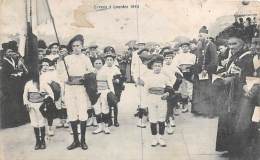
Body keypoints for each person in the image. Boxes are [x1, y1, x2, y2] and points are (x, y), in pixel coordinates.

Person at [213, 32, 255, 158]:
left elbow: (246, 77)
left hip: (241, 94)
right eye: (229, 44)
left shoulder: (247, 57)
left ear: (243, 44)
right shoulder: (234, 55)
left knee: (238, 122)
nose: (231, 46)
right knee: (228, 120)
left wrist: (230, 79)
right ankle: (230, 148)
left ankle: (237, 151)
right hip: (230, 93)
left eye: (234, 43)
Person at [64, 34, 94, 150]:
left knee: (82, 113)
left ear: (82, 46)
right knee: (71, 112)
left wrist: (84, 77)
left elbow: (91, 72)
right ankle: (75, 140)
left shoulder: (86, 59)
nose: (76, 48)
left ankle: (83, 141)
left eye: (78, 45)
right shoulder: (66, 59)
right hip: (70, 89)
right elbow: (60, 74)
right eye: (74, 46)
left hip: (81, 89)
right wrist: (66, 79)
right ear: (71, 47)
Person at [139, 54, 172, 147]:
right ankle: (154, 138)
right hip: (151, 99)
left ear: (162, 67)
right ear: (152, 67)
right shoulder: (148, 77)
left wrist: (167, 93)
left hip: (162, 99)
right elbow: (145, 90)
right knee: (153, 119)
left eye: (159, 66)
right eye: (155, 66)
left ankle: (161, 138)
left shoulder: (164, 77)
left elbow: (170, 87)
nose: (157, 68)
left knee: (161, 118)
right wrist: (144, 103)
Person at [23, 60, 54, 150]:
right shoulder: (28, 84)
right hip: (31, 106)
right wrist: (26, 104)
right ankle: (38, 141)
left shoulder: (43, 83)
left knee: (41, 122)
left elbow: (51, 93)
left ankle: (43, 141)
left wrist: (45, 98)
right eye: (33, 74)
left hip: (41, 105)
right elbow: (25, 95)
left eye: (37, 74)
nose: (35, 76)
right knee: (34, 123)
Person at [1, 41, 29, 128]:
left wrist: (17, 73)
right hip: (8, 85)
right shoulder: (3, 61)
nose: (11, 53)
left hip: (15, 84)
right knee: (10, 103)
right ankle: (11, 122)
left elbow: (16, 70)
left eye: (12, 52)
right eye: (9, 52)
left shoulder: (13, 60)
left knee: (18, 100)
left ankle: (20, 120)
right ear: (5, 53)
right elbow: (3, 75)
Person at [191, 26, 218, 117]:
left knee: (207, 92)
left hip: (207, 73)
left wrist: (206, 69)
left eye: (201, 36)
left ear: (206, 36)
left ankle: (209, 112)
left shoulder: (211, 45)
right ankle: (199, 110)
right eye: (198, 36)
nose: (199, 38)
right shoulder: (199, 46)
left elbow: (214, 61)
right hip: (199, 73)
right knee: (199, 92)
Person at [161, 48, 183, 134]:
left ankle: (171, 118)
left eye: (170, 58)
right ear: (164, 59)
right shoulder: (162, 67)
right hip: (166, 86)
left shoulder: (174, 66)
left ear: (172, 58)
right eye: (166, 58)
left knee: (172, 103)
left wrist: (177, 81)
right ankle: (167, 119)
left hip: (174, 86)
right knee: (167, 104)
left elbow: (181, 75)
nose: (168, 60)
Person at [173, 40, 196, 113]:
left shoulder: (193, 56)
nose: (185, 48)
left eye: (186, 46)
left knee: (191, 90)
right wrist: (180, 69)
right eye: (183, 47)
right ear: (181, 48)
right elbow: (175, 65)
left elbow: (195, 65)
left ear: (188, 47)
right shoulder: (178, 56)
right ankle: (185, 106)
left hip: (190, 74)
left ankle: (194, 108)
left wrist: (191, 71)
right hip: (182, 74)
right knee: (184, 91)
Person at [92, 57, 113, 134]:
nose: (98, 65)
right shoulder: (91, 72)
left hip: (105, 91)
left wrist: (112, 92)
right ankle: (99, 126)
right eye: (96, 63)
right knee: (97, 109)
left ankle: (106, 126)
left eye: (99, 63)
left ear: (103, 63)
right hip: (95, 92)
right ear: (93, 64)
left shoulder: (106, 71)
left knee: (105, 108)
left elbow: (110, 82)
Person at [103, 46, 123, 127]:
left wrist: (118, 80)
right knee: (107, 104)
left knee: (115, 104)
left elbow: (120, 78)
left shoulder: (115, 68)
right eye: (108, 60)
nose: (109, 61)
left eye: (111, 60)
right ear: (105, 60)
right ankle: (109, 120)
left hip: (115, 88)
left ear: (113, 60)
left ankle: (115, 120)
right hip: (106, 87)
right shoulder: (103, 68)